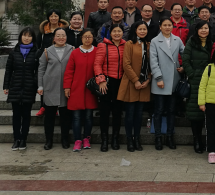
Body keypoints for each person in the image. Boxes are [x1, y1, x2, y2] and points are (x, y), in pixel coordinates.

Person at [150, 18, 185, 151]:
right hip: (160, 80)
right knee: (158, 110)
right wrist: (158, 77)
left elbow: (185, 54)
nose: (167, 27)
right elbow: (153, 61)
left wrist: (183, 67)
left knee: (171, 110)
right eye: (164, 25)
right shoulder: (155, 41)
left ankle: (170, 136)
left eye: (169, 25)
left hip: (173, 80)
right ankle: (158, 137)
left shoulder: (177, 40)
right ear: (160, 27)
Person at [3, 27, 40, 151]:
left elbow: (38, 71)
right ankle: (16, 139)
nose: (26, 38)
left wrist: (36, 84)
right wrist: (6, 86)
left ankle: (23, 139)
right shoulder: (14, 52)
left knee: (26, 114)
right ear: (20, 37)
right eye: (24, 35)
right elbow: (8, 70)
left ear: (33, 38)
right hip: (15, 86)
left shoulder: (36, 52)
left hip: (29, 87)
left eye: (29, 36)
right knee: (16, 115)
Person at [117, 21, 151, 152]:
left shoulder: (148, 44)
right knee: (130, 114)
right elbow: (126, 64)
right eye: (140, 29)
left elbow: (152, 64)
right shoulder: (129, 44)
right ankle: (129, 139)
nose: (142, 31)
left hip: (144, 84)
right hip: (131, 83)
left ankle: (137, 138)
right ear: (135, 30)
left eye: (144, 29)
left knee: (139, 115)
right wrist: (136, 80)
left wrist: (148, 79)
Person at [38, 28, 75, 150]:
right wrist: (40, 85)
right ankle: (49, 140)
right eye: (58, 35)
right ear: (54, 38)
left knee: (65, 116)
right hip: (50, 87)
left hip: (66, 88)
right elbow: (41, 69)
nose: (61, 38)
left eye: (63, 35)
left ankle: (65, 139)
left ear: (66, 37)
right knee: (49, 116)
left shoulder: (72, 50)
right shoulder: (47, 51)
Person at [63, 28, 98, 152]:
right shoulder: (75, 53)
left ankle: (86, 138)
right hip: (76, 89)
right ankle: (77, 140)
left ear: (93, 38)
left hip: (90, 90)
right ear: (81, 38)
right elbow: (69, 71)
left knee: (88, 116)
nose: (87, 39)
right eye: (85, 37)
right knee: (76, 117)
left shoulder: (97, 52)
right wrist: (67, 87)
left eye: (90, 37)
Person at [94, 24, 127, 152]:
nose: (117, 33)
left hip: (121, 82)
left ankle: (115, 139)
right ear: (110, 33)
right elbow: (97, 64)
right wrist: (101, 80)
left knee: (118, 112)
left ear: (123, 33)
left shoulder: (126, 46)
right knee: (104, 112)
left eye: (119, 31)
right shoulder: (103, 45)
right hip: (107, 82)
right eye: (114, 31)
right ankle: (104, 140)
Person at [182, 21, 213, 154]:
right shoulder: (191, 42)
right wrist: (191, 74)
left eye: (206, 28)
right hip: (195, 80)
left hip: (210, 79)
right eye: (201, 28)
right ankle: (197, 140)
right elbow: (185, 59)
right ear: (196, 30)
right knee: (195, 111)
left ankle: (207, 140)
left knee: (208, 110)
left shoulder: (212, 43)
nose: (204, 30)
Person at [36, 9, 69, 118]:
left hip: (61, 58)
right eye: (51, 16)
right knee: (47, 82)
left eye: (56, 16)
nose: (53, 18)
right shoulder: (43, 30)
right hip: (47, 58)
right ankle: (44, 106)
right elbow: (38, 45)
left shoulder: (65, 30)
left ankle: (58, 107)